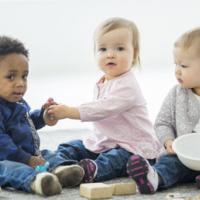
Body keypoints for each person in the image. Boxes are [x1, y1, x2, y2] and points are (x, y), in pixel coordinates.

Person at [47, 17, 161, 184]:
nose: (110, 54)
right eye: (102, 49)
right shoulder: (103, 81)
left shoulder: (128, 86)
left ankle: (89, 171)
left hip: (132, 147)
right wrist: (57, 110)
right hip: (105, 141)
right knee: (70, 147)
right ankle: (63, 167)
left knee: (115, 159)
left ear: (134, 53)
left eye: (120, 48)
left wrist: (69, 111)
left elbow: (101, 108)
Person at [0, 36, 84, 196]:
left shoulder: (18, 103)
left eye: (24, 76)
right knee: (8, 169)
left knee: (47, 154)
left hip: (29, 155)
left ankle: (61, 170)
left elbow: (27, 123)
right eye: (11, 77)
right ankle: (37, 181)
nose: (20, 83)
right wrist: (26, 159)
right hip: (6, 158)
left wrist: (44, 116)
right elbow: (1, 143)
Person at [127, 27, 200, 194]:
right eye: (176, 64)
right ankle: (153, 178)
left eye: (183, 65)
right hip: (184, 158)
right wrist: (168, 141)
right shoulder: (176, 94)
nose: (177, 70)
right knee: (169, 163)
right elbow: (162, 122)